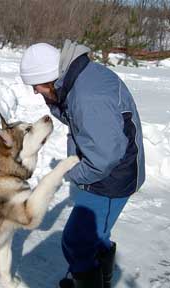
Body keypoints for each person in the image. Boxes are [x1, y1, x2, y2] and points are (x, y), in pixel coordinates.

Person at [20, 40, 145, 288]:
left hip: (112, 178)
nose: (35, 92)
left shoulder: (88, 97)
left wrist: (74, 171)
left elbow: (106, 156)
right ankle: (98, 279)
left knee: (76, 240)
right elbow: (81, 124)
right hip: (108, 170)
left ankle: (89, 280)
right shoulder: (77, 80)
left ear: (50, 78)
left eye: (36, 86)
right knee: (95, 238)